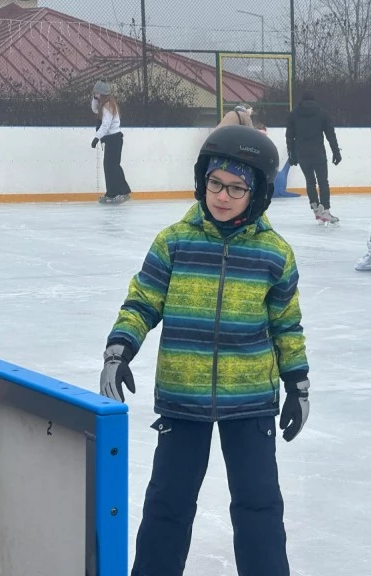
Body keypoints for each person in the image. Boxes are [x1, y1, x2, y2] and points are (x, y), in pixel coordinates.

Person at [98, 125, 310, 576]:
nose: (223, 196)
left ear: (257, 194)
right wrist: (120, 347)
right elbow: (143, 300)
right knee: (167, 507)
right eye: (215, 183)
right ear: (202, 181)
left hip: (250, 400)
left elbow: (286, 326)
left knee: (259, 509)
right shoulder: (175, 241)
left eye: (237, 188)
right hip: (183, 396)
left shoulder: (274, 254)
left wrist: (299, 384)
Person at [285, 90, 341, 224]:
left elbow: (289, 137)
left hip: (302, 153)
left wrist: (291, 154)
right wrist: (336, 152)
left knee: (310, 181)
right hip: (318, 153)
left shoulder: (293, 115)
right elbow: (330, 135)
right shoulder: (322, 113)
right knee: (323, 181)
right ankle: (325, 210)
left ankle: (315, 208)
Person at [90, 80, 132, 204]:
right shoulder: (104, 105)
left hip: (114, 139)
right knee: (109, 167)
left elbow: (106, 125)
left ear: (101, 94)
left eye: (96, 93)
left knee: (113, 167)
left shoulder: (108, 106)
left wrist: (96, 138)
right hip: (111, 140)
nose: (95, 95)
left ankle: (122, 192)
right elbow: (94, 109)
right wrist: (94, 99)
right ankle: (112, 192)